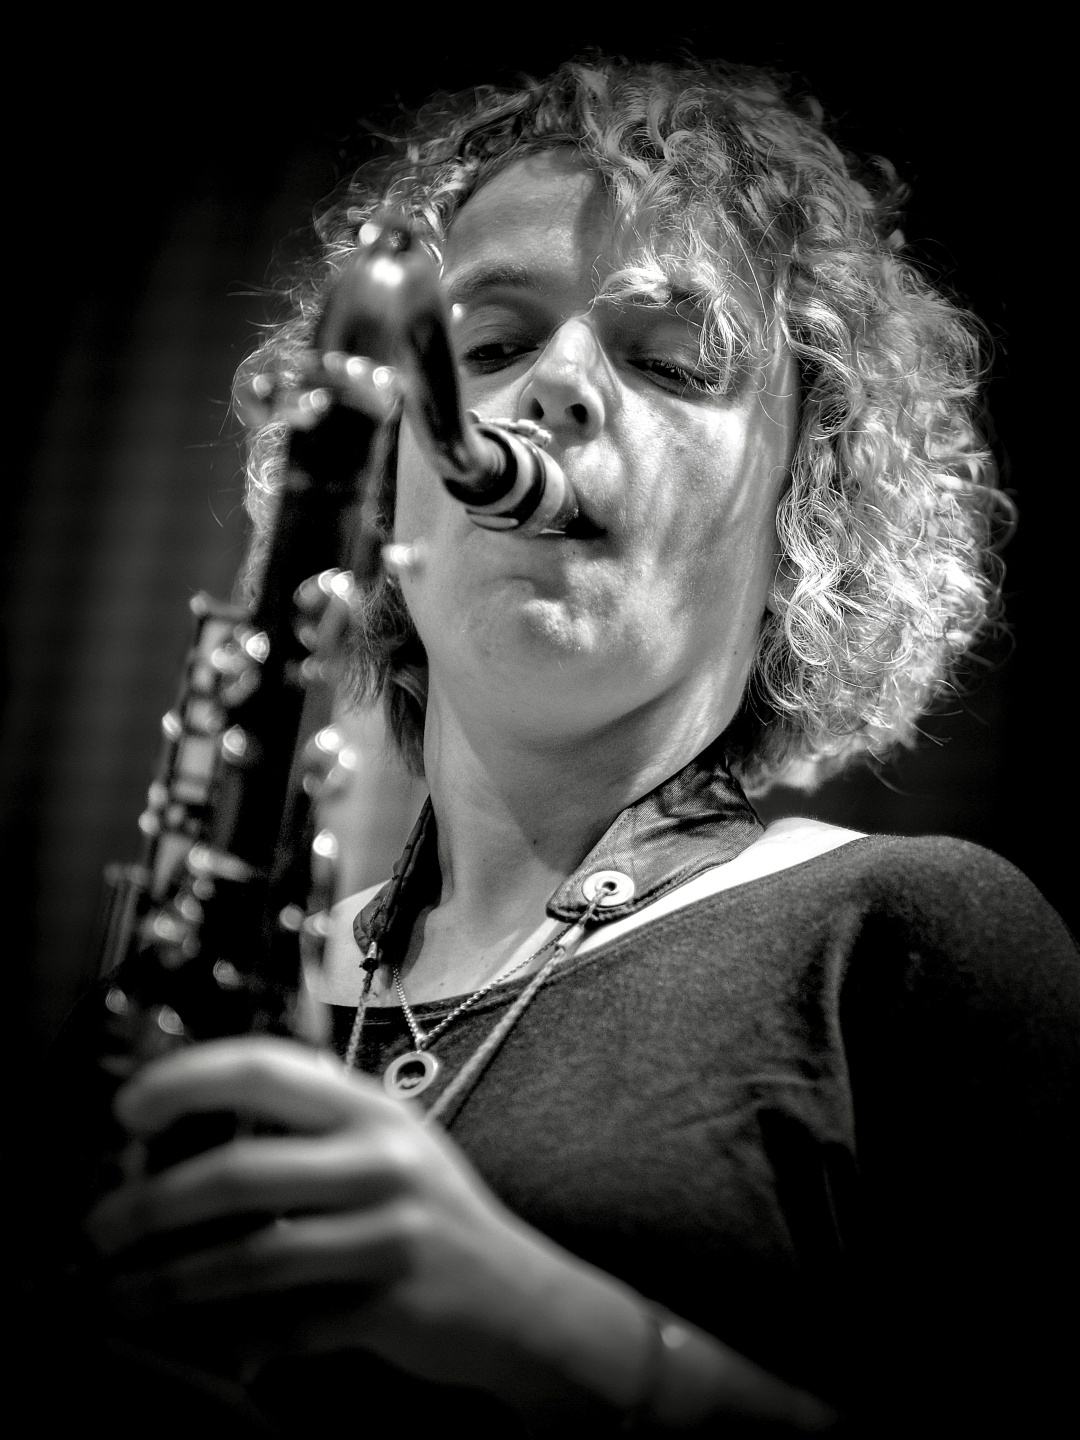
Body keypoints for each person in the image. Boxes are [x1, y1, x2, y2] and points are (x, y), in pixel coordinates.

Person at [55, 55, 1078, 1437]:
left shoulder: (914, 939)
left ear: (810, 506)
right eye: (486, 349)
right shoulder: (189, 986)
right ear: (391, 479)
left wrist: (539, 1326)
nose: (558, 388)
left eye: (672, 360)